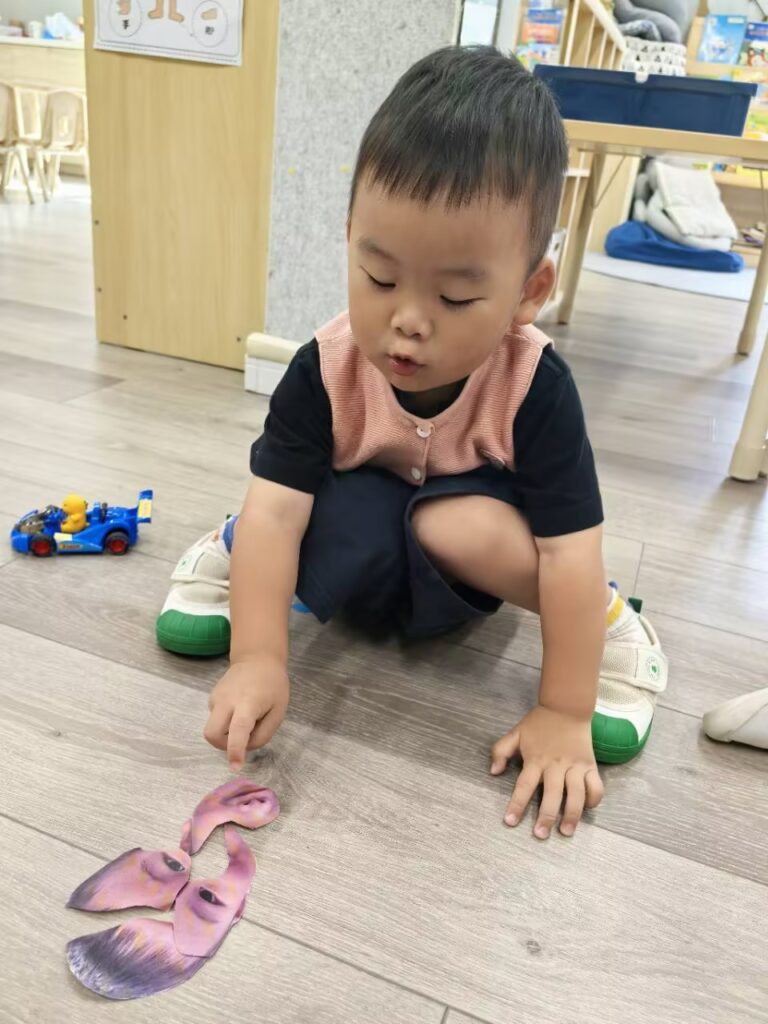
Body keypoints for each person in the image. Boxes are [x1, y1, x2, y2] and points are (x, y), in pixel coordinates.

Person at [156, 46, 668, 840]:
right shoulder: (322, 368)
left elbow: (568, 550)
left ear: (529, 291)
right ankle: (232, 545)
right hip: (356, 515)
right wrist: (259, 659)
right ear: (350, 237)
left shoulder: (536, 387)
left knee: (452, 522)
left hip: (462, 544)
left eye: (457, 296)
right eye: (380, 277)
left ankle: (611, 623)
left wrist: (565, 709)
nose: (408, 321)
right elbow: (282, 513)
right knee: (280, 514)